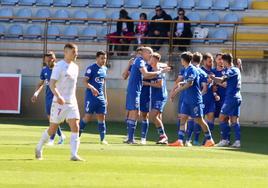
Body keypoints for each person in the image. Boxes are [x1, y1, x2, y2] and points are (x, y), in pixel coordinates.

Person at [35, 43, 83, 161]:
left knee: (76, 125)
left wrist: (70, 99)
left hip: (71, 103)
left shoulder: (75, 67)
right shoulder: (59, 66)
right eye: (74, 52)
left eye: (76, 52)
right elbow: (52, 84)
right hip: (58, 103)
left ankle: (73, 154)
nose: (76, 54)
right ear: (66, 53)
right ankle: (39, 147)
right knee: (53, 129)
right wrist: (59, 96)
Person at [125, 47, 170, 144]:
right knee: (135, 113)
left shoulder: (154, 67)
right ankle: (130, 138)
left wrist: (160, 70)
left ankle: (160, 136)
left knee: (151, 115)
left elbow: (159, 82)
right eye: (149, 54)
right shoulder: (141, 62)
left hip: (159, 95)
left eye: (152, 56)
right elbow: (145, 74)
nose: (150, 57)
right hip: (139, 91)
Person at [169, 51, 214, 147]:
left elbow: (190, 83)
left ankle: (209, 139)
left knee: (199, 120)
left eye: (181, 59)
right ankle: (180, 140)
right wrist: (179, 86)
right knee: (183, 118)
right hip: (187, 99)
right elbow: (186, 82)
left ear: (184, 60)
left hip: (194, 99)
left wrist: (176, 91)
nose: (181, 61)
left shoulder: (192, 69)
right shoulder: (186, 69)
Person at [31, 51, 65, 145]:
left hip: (57, 97)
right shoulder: (44, 70)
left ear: (53, 59)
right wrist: (36, 93)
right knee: (51, 119)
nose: (47, 62)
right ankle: (61, 136)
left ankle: (51, 139)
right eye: (46, 60)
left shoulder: (59, 69)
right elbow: (41, 83)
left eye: (48, 60)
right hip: (48, 97)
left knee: (54, 119)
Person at [210, 53, 242, 148]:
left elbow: (222, 80)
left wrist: (212, 78)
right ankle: (237, 141)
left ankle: (225, 140)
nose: (221, 62)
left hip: (231, 97)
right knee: (234, 120)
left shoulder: (231, 70)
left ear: (226, 61)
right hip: (237, 97)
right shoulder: (236, 69)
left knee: (221, 118)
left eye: (222, 60)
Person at [79, 51, 108, 145]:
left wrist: (106, 97)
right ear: (97, 58)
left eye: (105, 58)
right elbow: (84, 82)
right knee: (87, 117)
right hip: (91, 97)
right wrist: (92, 88)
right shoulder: (91, 68)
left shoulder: (104, 69)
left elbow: (104, 84)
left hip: (101, 97)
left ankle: (102, 139)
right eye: (102, 58)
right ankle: (77, 136)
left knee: (102, 117)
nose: (104, 60)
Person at [143, 52, 168, 144]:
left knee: (153, 115)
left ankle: (164, 136)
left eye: (151, 59)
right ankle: (162, 137)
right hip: (154, 95)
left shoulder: (158, 69)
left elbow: (159, 85)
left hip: (160, 96)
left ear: (155, 60)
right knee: (157, 117)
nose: (149, 60)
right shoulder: (152, 68)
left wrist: (147, 83)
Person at [185, 52, 208, 146]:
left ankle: (188, 140)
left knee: (191, 119)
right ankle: (195, 140)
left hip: (192, 98)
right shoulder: (203, 72)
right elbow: (205, 88)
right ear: (201, 60)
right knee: (197, 119)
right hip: (199, 98)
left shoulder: (189, 69)